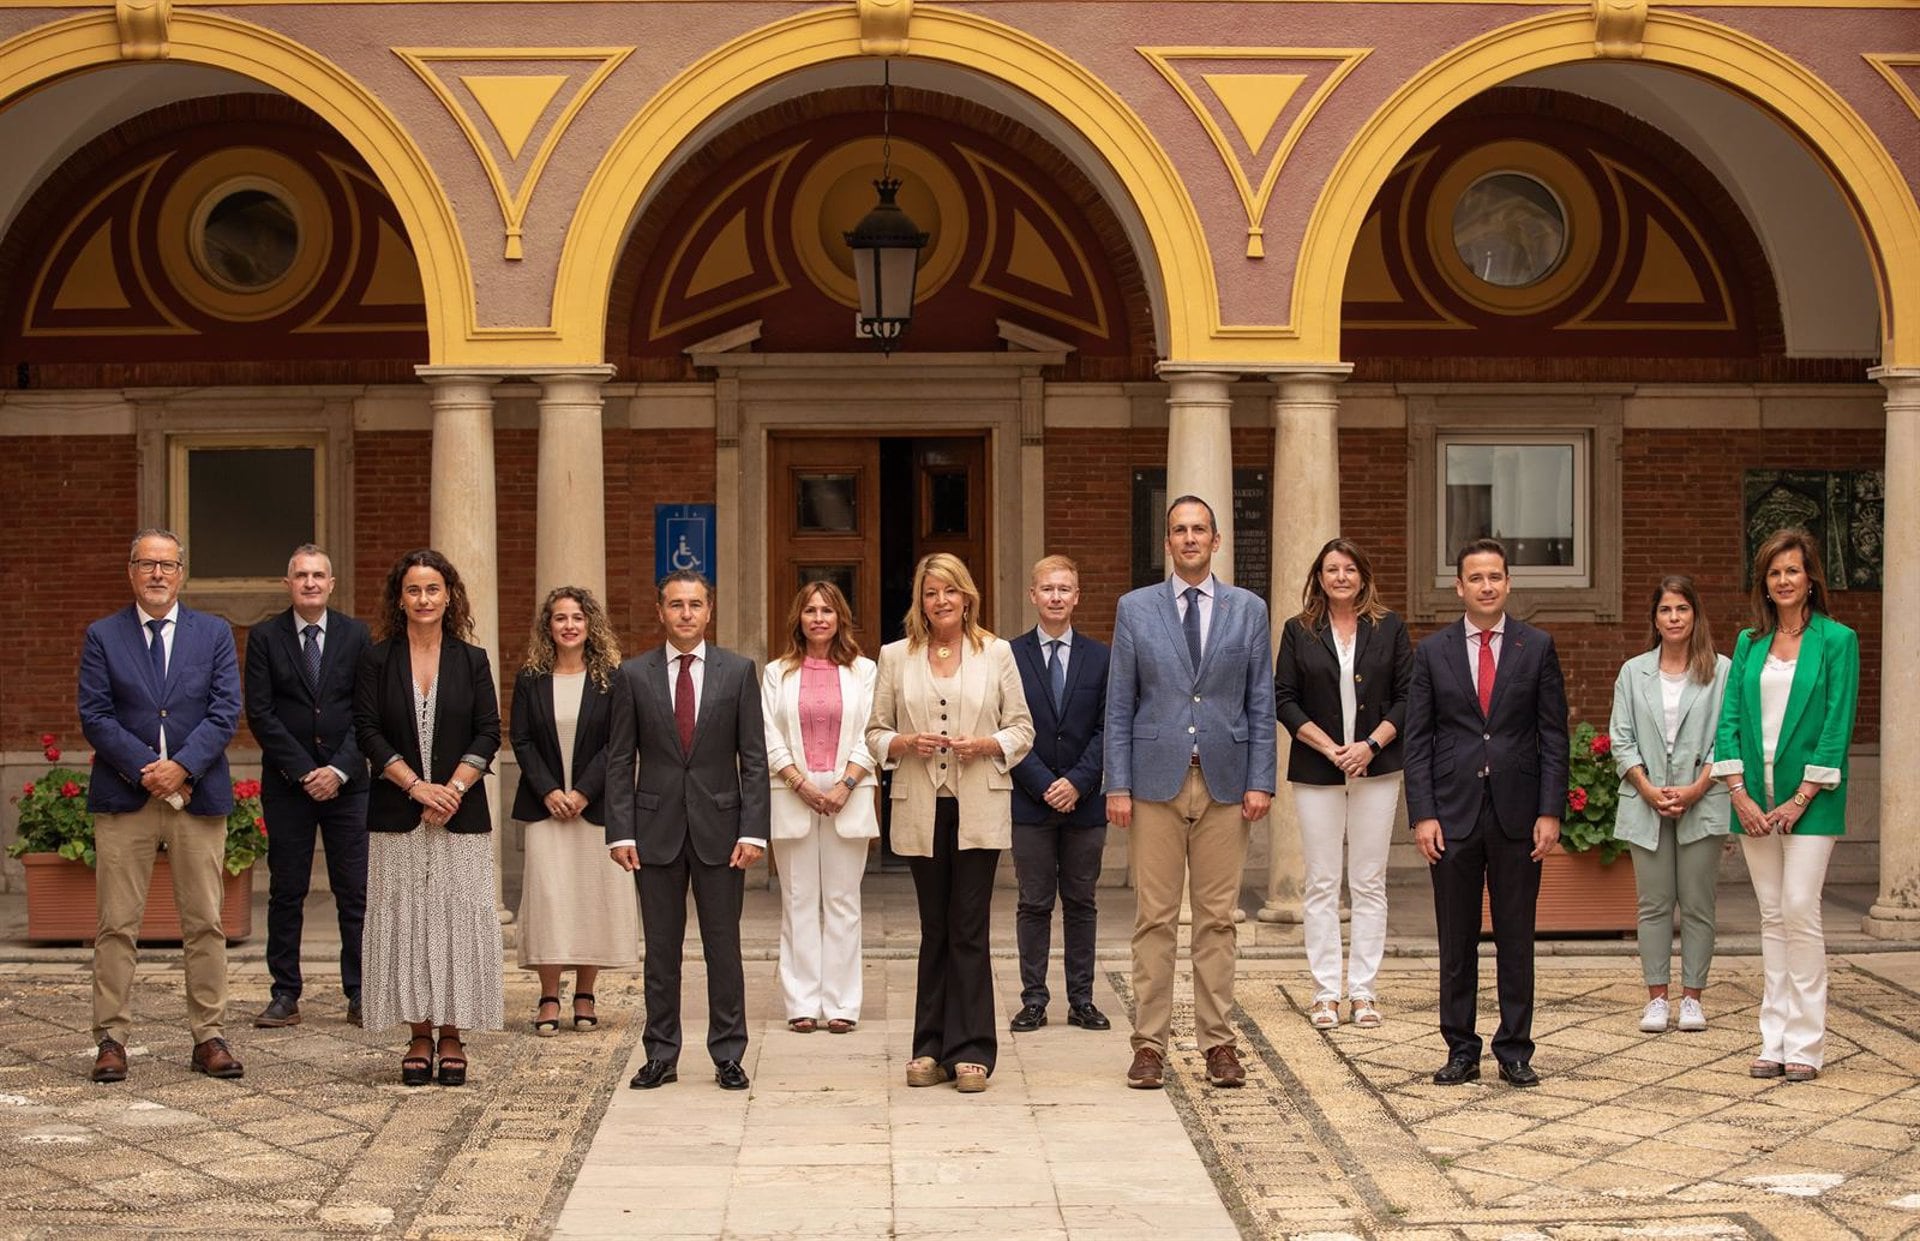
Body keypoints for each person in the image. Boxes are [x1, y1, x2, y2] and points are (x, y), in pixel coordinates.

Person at [1106, 496, 1275, 1091]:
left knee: (1217, 921)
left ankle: (1218, 1045)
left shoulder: (1248, 609)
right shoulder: (1136, 608)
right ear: (1168, 542)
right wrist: (1117, 783)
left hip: (1226, 783)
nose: (1189, 538)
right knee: (1153, 918)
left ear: (1216, 539)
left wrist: (1261, 779)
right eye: (1178, 530)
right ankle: (1148, 1046)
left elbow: (1260, 699)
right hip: (1154, 782)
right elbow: (1120, 701)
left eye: (1199, 529)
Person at [79, 528, 244, 1083]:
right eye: (146, 564)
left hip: (196, 796)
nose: (156, 574)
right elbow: (95, 715)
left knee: (205, 923)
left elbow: (225, 711)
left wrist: (183, 767)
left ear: (181, 573)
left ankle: (209, 1035)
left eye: (167, 565)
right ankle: (111, 1039)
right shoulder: (104, 635)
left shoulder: (214, 633)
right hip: (126, 797)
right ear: (131, 571)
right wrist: (149, 769)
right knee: (116, 924)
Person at [867, 553, 1033, 1094]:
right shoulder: (896, 656)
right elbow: (874, 732)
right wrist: (903, 743)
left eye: (950, 591)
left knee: (969, 928)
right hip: (921, 802)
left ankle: (972, 1049)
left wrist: (986, 744)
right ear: (921, 600)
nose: (940, 601)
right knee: (933, 928)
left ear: (967, 597)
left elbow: (1021, 729)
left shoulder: (997, 653)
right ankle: (927, 1047)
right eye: (930, 592)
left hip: (978, 803)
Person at [1405, 538, 1567, 1089]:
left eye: (1495, 576)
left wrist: (1550, 811)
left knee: (1516, 936)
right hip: (1451, 815)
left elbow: (1553, 736)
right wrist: (1422, 814)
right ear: (1459, 586)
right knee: (1456, 938)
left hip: (1519, 815)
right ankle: (1461, 1049)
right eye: (1476, 578)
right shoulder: (1431, 652)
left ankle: (1515, 1050)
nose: (1487, 586)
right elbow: (1418, 740)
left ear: (1508, 583)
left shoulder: (1536, 647)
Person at [607, 569, 769, 1092]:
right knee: (660, 950)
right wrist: (620, 832)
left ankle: (728, 1054)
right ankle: (661, 1054)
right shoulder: (633, 675)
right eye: (676, 605)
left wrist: (754, 831)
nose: (685, 614)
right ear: (661, 611)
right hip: (653, 830)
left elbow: (755, 760)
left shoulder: (738, 671)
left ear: (709, 610)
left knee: (724, 947)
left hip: (722, 831)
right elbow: (618, 759)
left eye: (695, 604)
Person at [1712, 529, 1858, 1082]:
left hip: (1812, 800)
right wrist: (1739, 793)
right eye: (1774, 573)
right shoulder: (1749, 643)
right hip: (1752, 800)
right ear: (1764, 583)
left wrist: (1799, 799)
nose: (1783, 581)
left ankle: (1806, 1043)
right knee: (1772, 917)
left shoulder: (1838, 641)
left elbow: (1835, 726)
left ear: (1810, 577)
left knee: (1800, 908)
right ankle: (1771, 1038)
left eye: (1792, 571)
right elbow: (1728, 722)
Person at [353, 549, 503, 1087]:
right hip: (398, 811)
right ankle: (419, 1033)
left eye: (433, 589)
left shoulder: (472, 659)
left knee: (458, 920)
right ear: (400, 597)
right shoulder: (375, 659)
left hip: (460, 815)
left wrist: (453, 789)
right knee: (408, 923)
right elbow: (367, 730)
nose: (423, 599)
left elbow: (489, 730)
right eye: (414, 590)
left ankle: (455, 1034)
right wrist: (416, 787)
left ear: (449, 596)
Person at [1274, 537, 1412, 1031]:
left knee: (1369, 881)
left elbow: (1407, 697)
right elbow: (1284, 699)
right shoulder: (1299, 630)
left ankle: (1364, 992)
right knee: (1323, 881)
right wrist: (1330, 748)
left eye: (1349, 569)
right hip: (1318, 770)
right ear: (1319, 576)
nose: (1340, 577)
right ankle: (1326, 992)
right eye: (1331, 569)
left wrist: (1369, 746)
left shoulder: (1389, 627)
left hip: (1375, 768)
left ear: (1363, 575)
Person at [245, 544, 372, 1030]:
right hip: (288, 785)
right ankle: (284, 993)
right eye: (301, 575)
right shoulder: (265, 637)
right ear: (288, 583)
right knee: (286, 890)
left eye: (319, 575)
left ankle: (360, 991)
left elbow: (368, 712)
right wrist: (304, 772)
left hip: (348, 786)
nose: (311, 583)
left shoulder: (357, 636)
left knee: (354, 892)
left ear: (332, 583)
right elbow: (261, 713)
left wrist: (337, 770)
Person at [509, 586, 636, 1036]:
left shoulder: (611, 679)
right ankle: (548, 995)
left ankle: (585, 992)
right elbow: (520, 739)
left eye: (577, 618)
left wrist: (582, 792)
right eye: (560, 618)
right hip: (546, 811)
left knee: (588, 900)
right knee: (549, 899)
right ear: (548, 626)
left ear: (590, 625)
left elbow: (618, 744)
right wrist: (549, 791)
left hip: (594, 809)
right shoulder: (530, 678)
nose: (568, 625)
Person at [1609, 575, 1731, 1035]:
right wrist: (1646, 787)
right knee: (1654, 904)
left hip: (1705, 799)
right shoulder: (1633, 672)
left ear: (1695, 615)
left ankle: (1693, 998)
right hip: (1646, 802)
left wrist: (1700, 785)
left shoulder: (1722, 670)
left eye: (1682, 609)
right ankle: (1657, 998)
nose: (1674, 617)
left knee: (1698, 903)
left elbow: (1729, 736)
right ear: (1655, 619)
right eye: (1666, 610)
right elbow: (1621, 738)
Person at [761, 581, 878, 1035]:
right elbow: (768, 732)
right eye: (810, 610)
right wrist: (799, 782)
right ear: (799, 618)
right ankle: (802, 1003)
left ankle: (843, 1004)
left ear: (840, 618)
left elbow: (872, 728)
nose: (819, 618)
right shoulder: (778, 672)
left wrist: (846, 783)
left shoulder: (865, 671)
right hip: (793, 792)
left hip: (849, 792)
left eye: (827, 610)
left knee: (844, 902)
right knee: (799, 901)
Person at [1008, 555, 1111, 1034]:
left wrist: (1076, 782)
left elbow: (1109, 728)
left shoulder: (1102, 657)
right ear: (1032, 595)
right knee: (1033, 903)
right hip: (1030, 800)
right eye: (1046, 588)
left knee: (1081, 902)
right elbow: (1002, 725)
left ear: (1077, 596)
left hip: (1084, 801)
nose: (1055, 597)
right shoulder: (1008, 656)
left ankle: (1082, 1000)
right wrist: (1042, 782)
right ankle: (1033, 1000)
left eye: (1064, 589)